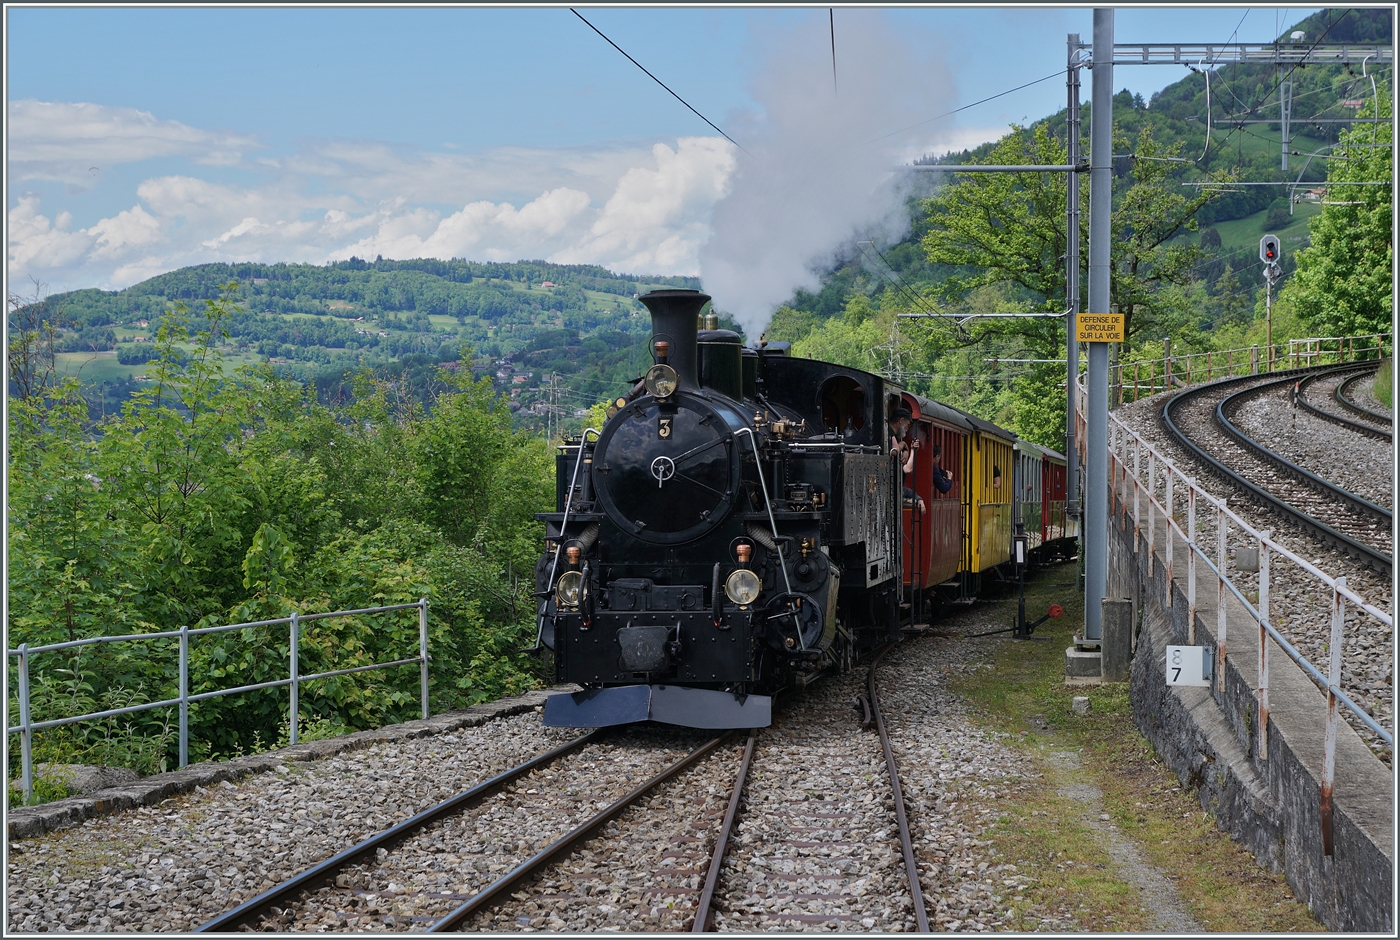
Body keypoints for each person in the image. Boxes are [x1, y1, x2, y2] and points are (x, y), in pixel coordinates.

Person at [889, 407, 925, 514]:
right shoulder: (888, 433)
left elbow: (906, 469)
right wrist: (905, 446)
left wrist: (911, 450)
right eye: (907, 425)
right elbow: (894, 451)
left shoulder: (895, 437)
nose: (907, 429)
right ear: (901, 421)